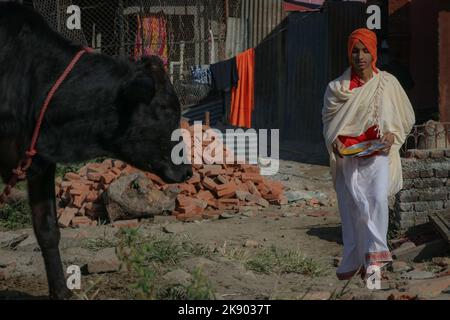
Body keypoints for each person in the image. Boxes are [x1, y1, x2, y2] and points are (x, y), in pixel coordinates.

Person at [322, 28, 416, 281]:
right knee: (354, 209)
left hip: (378, 156)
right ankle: (358, 263)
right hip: (348, 158)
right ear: (348, 53)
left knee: (376, 200)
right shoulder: (336, 88)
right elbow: (329, 125)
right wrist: (336, 144)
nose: (360, 56)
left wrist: (391, 137)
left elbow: (404, 117)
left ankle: (376, 260)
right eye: (355, 50)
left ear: (374, 53)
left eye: (365, 50)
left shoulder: (388, 83)